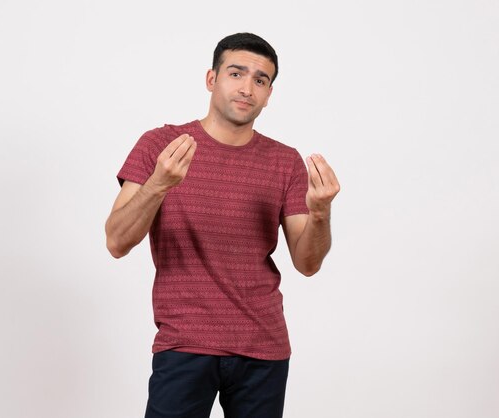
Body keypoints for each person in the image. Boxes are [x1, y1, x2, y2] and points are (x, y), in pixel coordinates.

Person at [105, 32, 340, 418]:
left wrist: (320, 213)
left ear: (268, 94)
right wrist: (159, 184)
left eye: (261, 80)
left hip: (263, 348)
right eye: (236, 73)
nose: (247, 87)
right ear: (212, 79)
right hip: (185, 343)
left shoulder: (284, 161)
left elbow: (308, 263)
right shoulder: (161, 145)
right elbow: (116, 240)